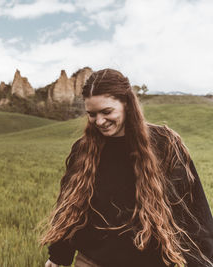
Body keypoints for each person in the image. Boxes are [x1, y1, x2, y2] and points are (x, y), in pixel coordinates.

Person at [40, 69, 213, 267]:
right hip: (92, 261)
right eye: (92, 114)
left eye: (107, 112)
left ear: (127, 104)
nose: (99, 121)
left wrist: (202, 262)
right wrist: (58, 255)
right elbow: (70, 209)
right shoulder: (83, 150)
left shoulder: (165, 144)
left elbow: (195, 211)